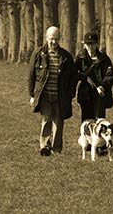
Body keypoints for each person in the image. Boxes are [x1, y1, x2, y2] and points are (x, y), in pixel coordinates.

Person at [28, 26, 77, 156]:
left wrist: (70, 93)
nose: (53, 42)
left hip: (60, 95)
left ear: (59, 39)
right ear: (46, 38)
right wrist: (32, 95)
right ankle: (44, 146)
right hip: (44, 95)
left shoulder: (65, 56)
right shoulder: (38, 54)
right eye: (51, 39)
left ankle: (56, 149)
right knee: (47, 118)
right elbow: (31, 75)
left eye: (56, 39)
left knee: (58, 121)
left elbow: (74, 76)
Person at [75, 32, 113, 153]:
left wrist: (103, 86)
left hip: (100, 95)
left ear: (97, 44)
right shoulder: (80, 57)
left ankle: (101, 145)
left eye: (92, 44)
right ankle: (87, 144)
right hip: (85, 94)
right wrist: (82, 77)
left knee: (100, 119)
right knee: (87, 120)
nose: (90, 47)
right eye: (87, 44)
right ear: (84, 45)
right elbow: (75, 73)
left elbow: (109, 75)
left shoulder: (104, 59)